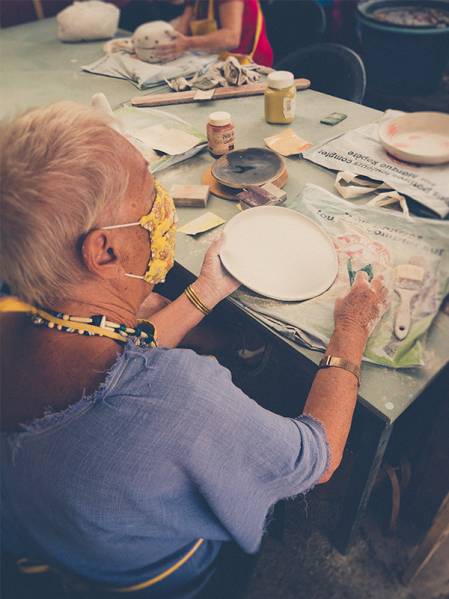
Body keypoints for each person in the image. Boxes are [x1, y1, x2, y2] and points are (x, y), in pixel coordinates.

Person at [0, 102, 387, 598]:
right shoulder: (174, 397)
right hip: (158, 577)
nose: (161, 207)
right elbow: (319, 456)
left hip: (56, 540)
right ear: (104, 251)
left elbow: (105, 346)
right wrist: (351, 328)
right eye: (147, 197)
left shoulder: (20, 309)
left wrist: (205, 290)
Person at [153, 0, 273, 66]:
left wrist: (187, 43)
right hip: (216, 61)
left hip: (249, 66)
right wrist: (159, 46)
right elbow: (181, 33)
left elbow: (231, 37)